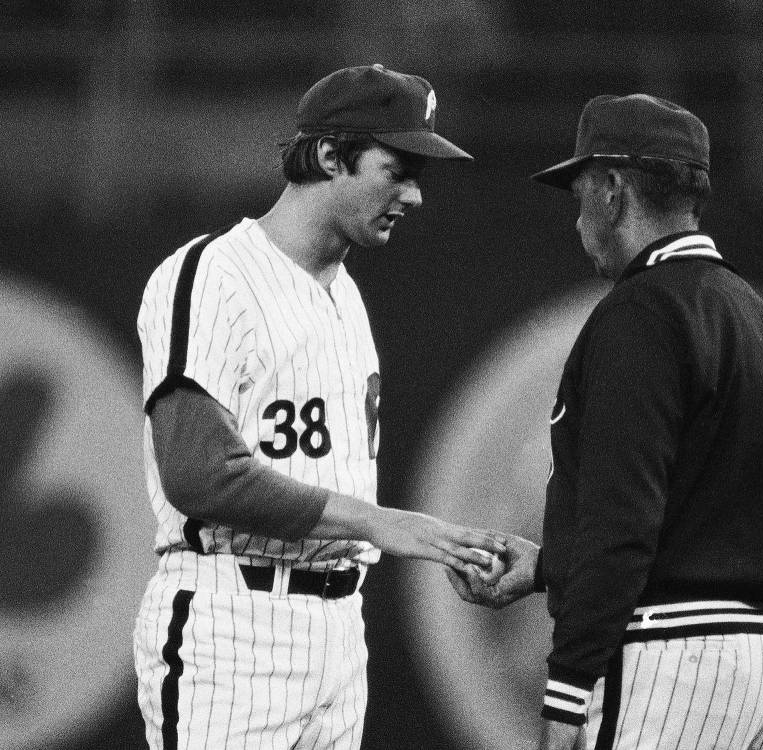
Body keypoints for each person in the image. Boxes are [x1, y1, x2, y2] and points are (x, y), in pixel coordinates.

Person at [132, 64, 506, 750]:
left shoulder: (347, 296)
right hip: (235, 624)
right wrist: (381, 523)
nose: (415, 195)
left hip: (338, 630)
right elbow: (198, 473)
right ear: (331, 154)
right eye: (397, 169)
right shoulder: (214, 272)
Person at [447, 94, 763, 750]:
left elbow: (622, 525)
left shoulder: (642, 314)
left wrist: (565, 691)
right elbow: (701, 520)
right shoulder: (761, 324)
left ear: (614, 190)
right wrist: (547, 567)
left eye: (581, 194)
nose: (578, 220)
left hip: (674, 655)